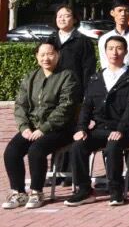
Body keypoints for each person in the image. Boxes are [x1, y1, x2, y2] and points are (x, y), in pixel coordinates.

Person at [66, 36, 129, 206]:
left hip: (124, 131)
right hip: (100, 129)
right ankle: (84, 190)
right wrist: (81, 128)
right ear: (105, 51)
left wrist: (121, 130)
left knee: (113, 146)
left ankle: (116, 191)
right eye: (110, 48)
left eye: (119, 48)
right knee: (78, 145)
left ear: (125, 52)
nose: (114, 52)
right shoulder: (96, 78)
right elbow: (87, 107)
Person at [2, 42, 78, 210]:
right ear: (37, 57)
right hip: (32, 127)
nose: (46, 58)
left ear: (57, 55)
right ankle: (19, 193)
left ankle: (37, 192)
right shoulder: (31, 77)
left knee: (36, 150)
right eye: (42, 54)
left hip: (60, 128)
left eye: (50, 54)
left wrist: (44, 129)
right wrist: (24, 127)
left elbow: (65, 107)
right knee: (12, 152)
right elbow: (20, 105)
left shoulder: (67, 76)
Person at [48, 6, 96, 99]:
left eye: (66, 16)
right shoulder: (51, 40)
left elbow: (88, 69)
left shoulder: (84, 41)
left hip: (74, 90)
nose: (62, 19)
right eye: (59, 16)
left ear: (74, 19)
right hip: (52, 89)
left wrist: (87, 92)